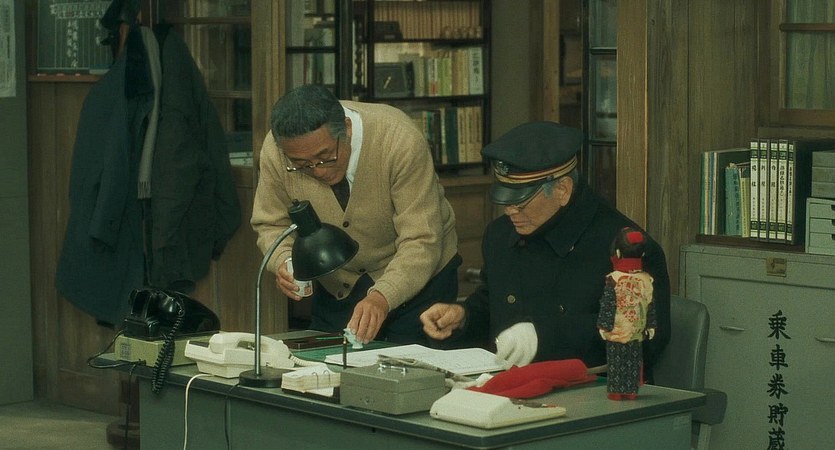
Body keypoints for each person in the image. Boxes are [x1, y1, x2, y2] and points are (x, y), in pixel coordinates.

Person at [420, 121, 670, 377]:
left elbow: (642, 339)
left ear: (562, 190)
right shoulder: (500, 235)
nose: (510, 211)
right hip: (511, 385)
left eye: (521, 202)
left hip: (595, 391)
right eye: (506, 201)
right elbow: (492, 305)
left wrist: (544, 338)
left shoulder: (626, 247)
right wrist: (463, 318)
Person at [251, 84, 460, 345]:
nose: (318, 171)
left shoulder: (399, 139)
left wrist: (382, 296)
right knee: (325, 363)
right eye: (301, 165)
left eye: (326, 157)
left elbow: (422, 240)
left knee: (407, 365)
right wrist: (285, 261)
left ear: (347, 129)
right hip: (338, 284)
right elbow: (270, 224)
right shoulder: (277, 150)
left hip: (420, 280)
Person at [597, 227, 657, 400]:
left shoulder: (613, 279)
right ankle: (630, 391)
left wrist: (603, 325)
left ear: (617, 252)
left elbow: (608, 304)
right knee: (633, 361)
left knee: (616, 362)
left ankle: (617, 391)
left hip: (617, 329)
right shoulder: (646, 279)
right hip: (637, 329)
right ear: (642, 254)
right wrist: (651, 325)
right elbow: (650, 303)